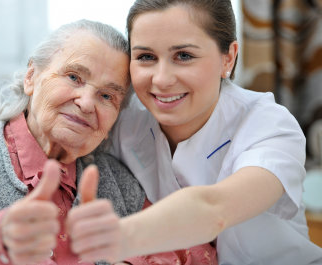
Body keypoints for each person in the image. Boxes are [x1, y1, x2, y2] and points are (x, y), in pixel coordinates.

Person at [67, 1, 322, 264]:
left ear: (229, 58)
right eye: (146, 57)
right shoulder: (124, 119)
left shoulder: (269, 125)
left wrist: (116, 238)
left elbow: (214, 209)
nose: (162, 79)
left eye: (184, 56)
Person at [0, 19, 148, 265]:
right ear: (31, 77)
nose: (86, 103)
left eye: (107, 96)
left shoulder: (121, 184)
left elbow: (182, 249)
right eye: (74, 77)